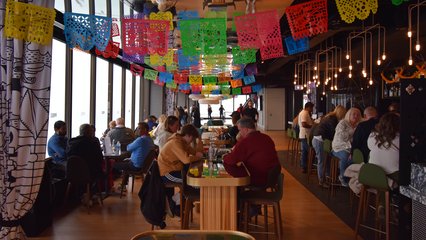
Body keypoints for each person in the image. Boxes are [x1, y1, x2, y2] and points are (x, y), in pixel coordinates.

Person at [157, 124, 204, 215]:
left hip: (175, 169)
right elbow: (186, 160)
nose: (191, 142)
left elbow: (194, 152)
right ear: (188, 135)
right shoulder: (176, 143)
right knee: (191, 183)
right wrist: (197, 157)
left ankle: (177, 201)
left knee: (193, 179)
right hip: (167, 172)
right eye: (192, 139)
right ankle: (176, 203)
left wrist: (199, 145)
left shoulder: (181, 141)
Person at [223, 118, 280, 187]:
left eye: (240, 130)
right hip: (273, 177)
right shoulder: (267, 138)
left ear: (246, 129)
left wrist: (224, 156)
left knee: (231, 170)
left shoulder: (246, 142)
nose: (239, 133)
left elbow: (232, 160)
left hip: (258, 178)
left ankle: (236, 195)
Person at [311, 105, 346, 185]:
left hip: (317, 139)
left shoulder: (329, 116)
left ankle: (327, 177)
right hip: (319, 140)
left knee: (324, 160)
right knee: (322, 161)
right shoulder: (333, 119)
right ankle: (322, 181)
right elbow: (334, 133)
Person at [113, 122, 155, 186]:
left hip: (136, 166)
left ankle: (109, 187)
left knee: (113, 164)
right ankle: (123, 185)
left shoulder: (140, 140)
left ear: (145, 130)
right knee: (126, 161)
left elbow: (128, 148)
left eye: (139, 128)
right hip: (145, 166)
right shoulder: (150, 139)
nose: (137, 130)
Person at [331, 107, 362, 186]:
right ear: (349, 115)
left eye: (358, 115)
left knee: (357, 156)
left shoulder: (359, 125)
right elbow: (342, 137)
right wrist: (353, 131)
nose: (356, 116)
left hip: (350, 147)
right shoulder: (343, 123)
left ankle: (353, 179)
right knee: (346, 156)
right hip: (338, 147)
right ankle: (343, 177)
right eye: (354, 114)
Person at [368, 112, 400, 186]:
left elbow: (369, 147)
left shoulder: (373, 135)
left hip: (373, 172)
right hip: (392, 174)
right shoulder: (399, 138)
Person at [298, 102, 314, 173]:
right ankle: (308, 166)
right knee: (310, 151)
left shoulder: (302, 112)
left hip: (303, 135)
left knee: (304, 152)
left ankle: (304, 167)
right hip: (305, 135)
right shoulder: (305, 113)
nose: (312, 110)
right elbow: (304, 124)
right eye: (311, 108)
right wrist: (312, 126)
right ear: (308, 107)